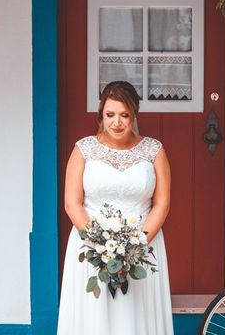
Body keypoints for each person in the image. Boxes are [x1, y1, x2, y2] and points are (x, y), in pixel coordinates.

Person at [56, 80, 174, 335]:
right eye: (110, 115)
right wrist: (101, 245)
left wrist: (135, 247)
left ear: (134, 115)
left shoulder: (154, 150)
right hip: (91, 247)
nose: (117, 122)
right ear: (101, 114)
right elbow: (72, 203)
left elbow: (161, 205)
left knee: (135, 312)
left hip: (143, 246)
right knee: (94, 315)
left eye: (124, 115)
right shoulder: (83, 149)